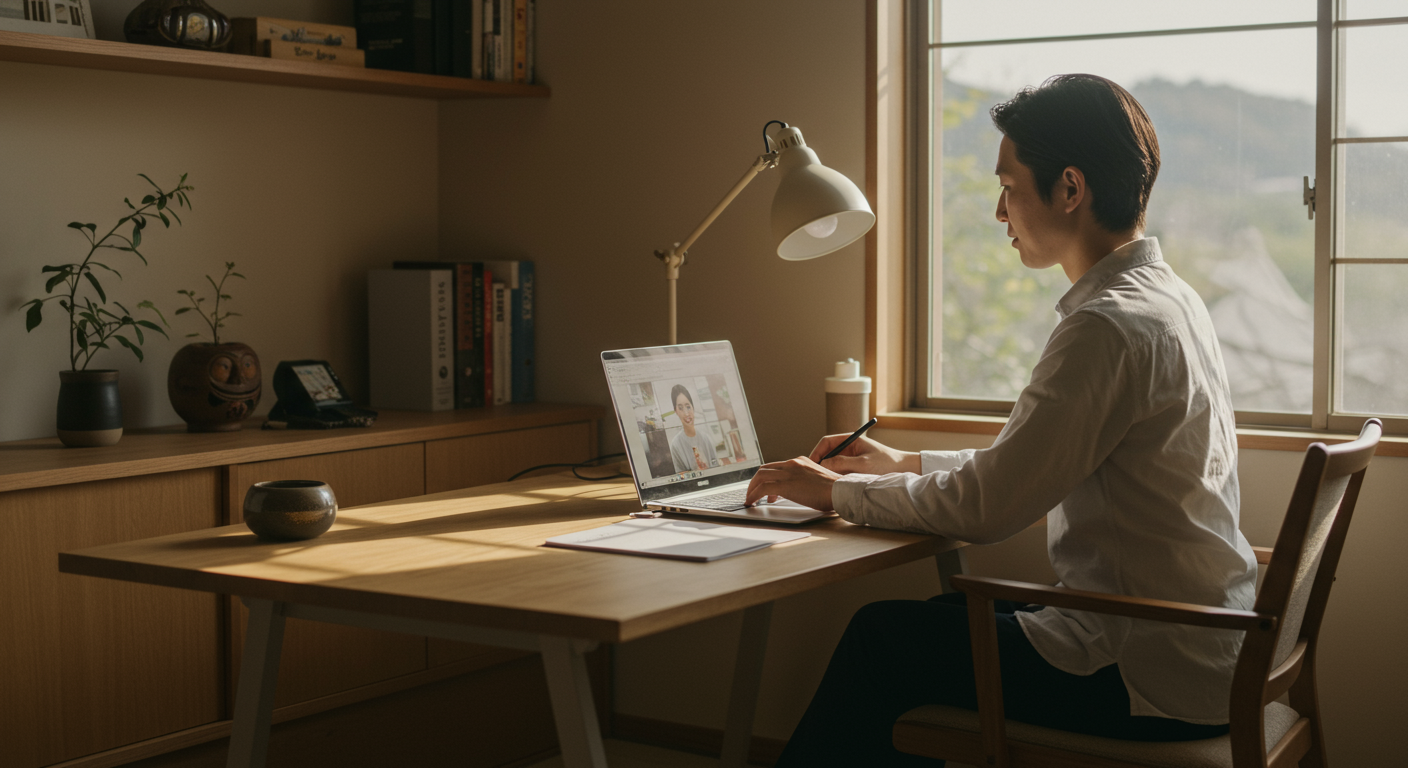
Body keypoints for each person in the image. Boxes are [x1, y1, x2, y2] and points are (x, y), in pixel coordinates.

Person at [745, 74, 1258, 767]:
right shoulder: (1167, 299)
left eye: (1009, 186)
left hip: (1143, 668)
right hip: (1200, 650)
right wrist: (902, 466)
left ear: (1069, 189)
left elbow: (988, 508)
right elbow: (1029, 463)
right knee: (931, 624)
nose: (999, 210)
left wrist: (833, 492)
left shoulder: (1107, 327)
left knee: (882, 639)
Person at [668, 384, 719, 473]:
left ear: (693, 407)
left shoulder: (706, 438)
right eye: (680, 408)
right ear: (676, 411)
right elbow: (681, 476)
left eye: (688, 407)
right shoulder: (675, 445)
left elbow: (716, 467)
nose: (686, 413)